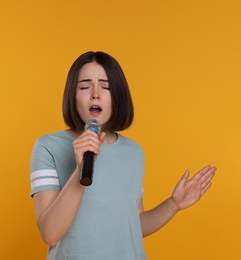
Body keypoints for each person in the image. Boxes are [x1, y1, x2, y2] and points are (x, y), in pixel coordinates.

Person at [30, 51, 216, 260]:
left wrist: (173, 204)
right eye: (84, 86)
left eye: (106, 86)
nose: (95, 93)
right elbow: (50, 233)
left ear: (117, 95)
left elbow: (132, 226)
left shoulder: (133, 153)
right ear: (72, 95)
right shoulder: (48, 147)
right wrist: (80, 173)